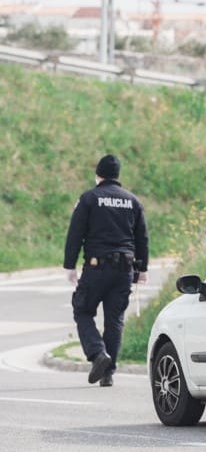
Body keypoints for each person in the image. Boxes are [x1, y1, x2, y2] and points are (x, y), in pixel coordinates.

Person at [63, 155, 149, 387]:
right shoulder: (132, 201)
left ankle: (98, 354)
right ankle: (108, 373)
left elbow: (76, 233)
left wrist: (69, 265)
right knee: (115, 320)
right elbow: (142, 237)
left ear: (98, 174)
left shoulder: (89, 199)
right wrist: (142, 268)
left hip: (96, 267)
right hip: (124, 269)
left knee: (82, 310)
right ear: (117, 175)